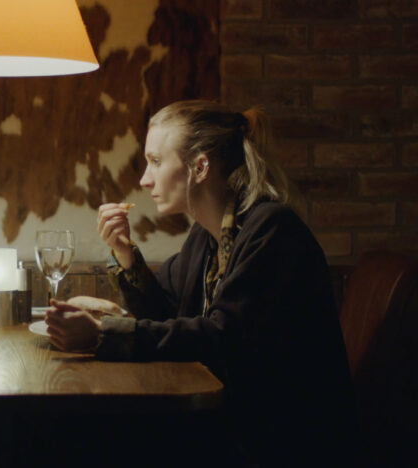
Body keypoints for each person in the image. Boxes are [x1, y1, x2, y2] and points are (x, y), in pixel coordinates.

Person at [45, 100, 357, 465]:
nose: (145, 179)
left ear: (200, 167)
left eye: (156, 161)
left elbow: (222, 337)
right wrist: (125, 253)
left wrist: (103, 335)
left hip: (278, 441)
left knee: (82, 435)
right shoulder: (205, 237)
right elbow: (164, 312)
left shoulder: (271, 231)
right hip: (229, 422)